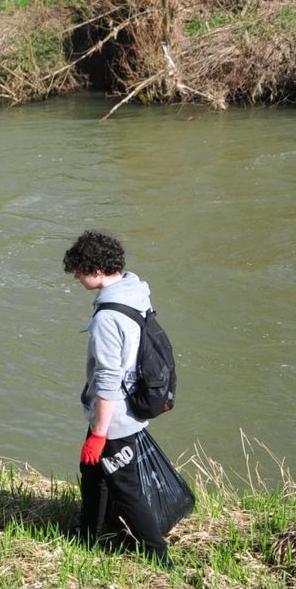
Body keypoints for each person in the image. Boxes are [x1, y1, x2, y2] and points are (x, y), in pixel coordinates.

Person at [63, 230, 172, 568]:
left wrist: (99, 435)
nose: (76, 278)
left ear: (95, 269)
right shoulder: (134, 289)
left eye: (79, 271)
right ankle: (88, 534)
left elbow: (108, 380)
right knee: (92, 471)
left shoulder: (108, 317)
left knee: (126, 487)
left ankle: (158, 556)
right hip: (131, 400)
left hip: (116, 418)